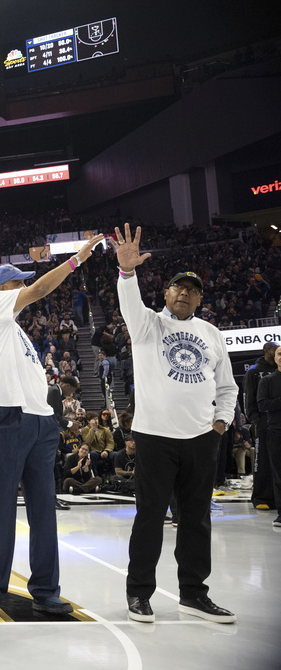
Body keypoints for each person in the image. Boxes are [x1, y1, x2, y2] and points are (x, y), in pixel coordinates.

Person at [0, 231, 103, 621]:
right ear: (0, 288)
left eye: (23, 281)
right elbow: (43, 287)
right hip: (3, 416)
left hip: (39, 422)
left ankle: (46, 591)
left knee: (44, 509)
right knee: (1, 506)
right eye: (18, 281)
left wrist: (51, 418)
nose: (24, 286)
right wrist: (77, 259)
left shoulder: (15, 329)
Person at [109, 224, 239, 624]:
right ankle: (139, 594)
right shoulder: (148, 325)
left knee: (197, 519)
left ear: (199, 298)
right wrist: (127, 273)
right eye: (178, 287)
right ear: (165, 294)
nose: (184, 293)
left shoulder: (212, 333)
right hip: (154, 437)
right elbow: (129, 304)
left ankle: (194, 594)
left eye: (192, 289)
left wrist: (220, 425)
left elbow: (228, 387)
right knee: (149, 517)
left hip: (201, 438)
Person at [244, 342, 277, 511]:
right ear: (266, 351)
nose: (277, 352)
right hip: (263, 422)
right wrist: (255, 420)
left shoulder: (277, 371)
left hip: (277, 420)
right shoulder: (254, 371)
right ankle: (261, 497)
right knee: (261, 461)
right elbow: (248, 397)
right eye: (274, 349)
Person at [254, 344, 281, 530]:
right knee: (279, 474)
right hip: (276, 432)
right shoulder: (268, 381)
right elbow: (262, 405)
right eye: (279, 353)